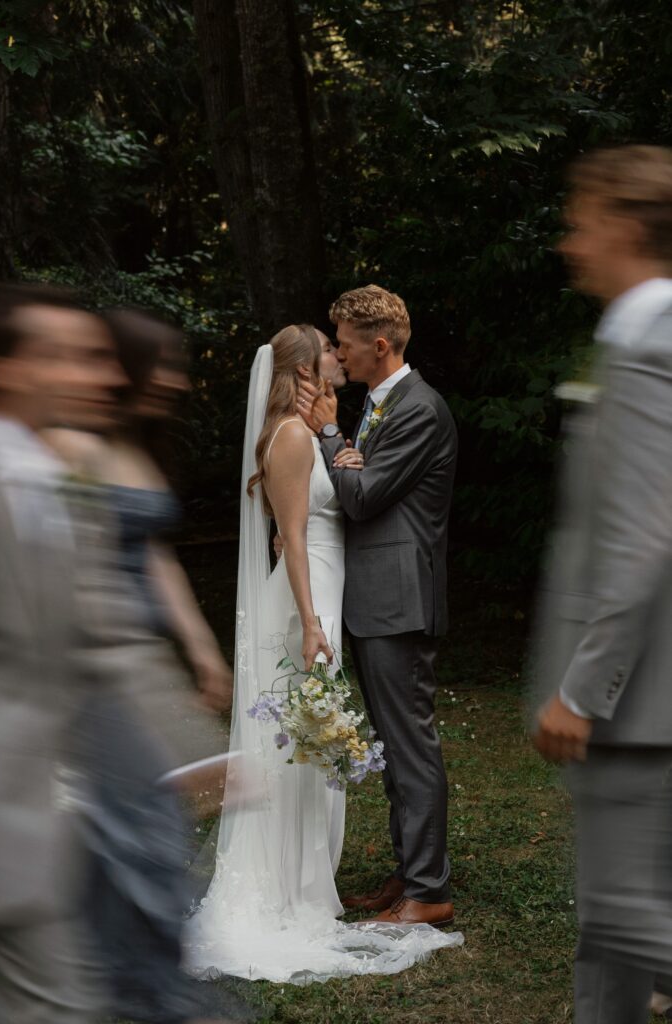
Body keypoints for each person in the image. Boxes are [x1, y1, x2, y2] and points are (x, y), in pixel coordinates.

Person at [184, 323, 462, 984]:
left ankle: (309, 885)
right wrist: (310, 621)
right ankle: (286, 888)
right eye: (329, 351)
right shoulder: (289, 436)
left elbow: (326, 514)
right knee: (302, 746)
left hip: (334, 594)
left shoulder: (314, 434)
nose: (340, 357)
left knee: (313, 748)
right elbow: (296, 540)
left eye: (344, 347)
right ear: (306, 371)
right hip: (314, 603)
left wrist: (346, 459)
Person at [44, 307, 241, 1024]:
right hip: (96, 669)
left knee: (154, 836)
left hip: (141, 659)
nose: (176, 379)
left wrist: (199, 647)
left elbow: (157, 557)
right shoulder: (71, 448)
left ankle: (138, 980)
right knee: (135, 836)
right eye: (162, 363)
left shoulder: (138, 449)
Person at [531, 145, 672, 1024]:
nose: (569, 242)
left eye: (580, 220)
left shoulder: (647, 346)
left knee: (623, 914)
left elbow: (640, 538)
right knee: (607, 927)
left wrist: (582, 689)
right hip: (647, 694)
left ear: (623, 226)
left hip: (634, 702)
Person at [297, 285, 458, 928]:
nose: (338, 351)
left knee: (410, 745)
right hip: (376, 597)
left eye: (343, 342)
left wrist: (331, 434)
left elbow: (361, 498)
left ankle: (429, 890)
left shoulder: (419, 408)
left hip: (399, 598)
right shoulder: (379, 404)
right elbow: (357, 481)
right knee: (394, 745)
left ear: (379, 344)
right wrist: (348, 453)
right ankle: (408, 873)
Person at [0, 281, 125, 1024]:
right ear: (5, 368)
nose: (97, 376)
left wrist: (189, 754)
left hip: (30, 819)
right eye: (65, 357)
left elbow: (101, 642)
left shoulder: (68, 477)